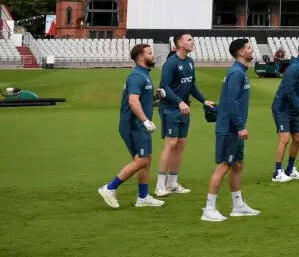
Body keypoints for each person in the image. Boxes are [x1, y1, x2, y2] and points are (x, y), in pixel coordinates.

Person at [98, 43, 165, 209]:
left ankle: (143, 197)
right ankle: (109, 188)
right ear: (141, 57)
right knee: (142, 160)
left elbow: (141, 100)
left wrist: (155, 97)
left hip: (139, 125)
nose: (153, 55)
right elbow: (133, 101)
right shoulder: (136, 76)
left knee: (146, 160)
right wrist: (145, 121)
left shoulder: (144, 75)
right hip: (133, 125)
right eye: (150, 53)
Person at [201, 38, 260, 222]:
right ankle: (209, 209)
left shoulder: (240, 71)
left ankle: (238, 206)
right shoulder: (236, 73)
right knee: (224, 165)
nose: (251, 50)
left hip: (233, 127)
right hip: (230, 128)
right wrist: (240, 126)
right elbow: (232, 101)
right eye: (248, 48)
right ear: (241, 52)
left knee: (238, 164)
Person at [156, 33, 215, 197]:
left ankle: (172, 183)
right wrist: (179, 102)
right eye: (189, 40)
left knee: (181, 144)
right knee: (171, 143)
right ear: (179, 43)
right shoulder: (171, 63)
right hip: (170, 108)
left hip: (184, 109)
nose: (192, 42)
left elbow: (191, 85)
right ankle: (160, 185)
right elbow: (164, 87)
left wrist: (203, 100)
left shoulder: (189, 61)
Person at [271, 41, 299, 183]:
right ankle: (277, 172)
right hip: (282, 107)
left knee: (298, 138)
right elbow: (289, 91)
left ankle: (290, 169)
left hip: (295, 109)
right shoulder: (294, 68)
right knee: (285, 139)